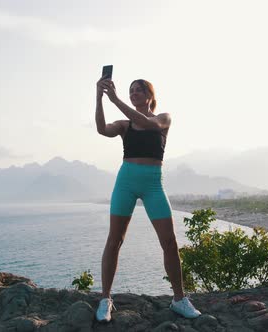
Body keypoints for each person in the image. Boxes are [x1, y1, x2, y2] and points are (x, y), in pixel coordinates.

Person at [94, 76, 202, 322]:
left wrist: (115, 98)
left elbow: (144, 121)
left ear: (150, 95)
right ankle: (105, 299)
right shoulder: (124, 125)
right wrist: (99, 98)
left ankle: (179, 299)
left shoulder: (163, 118)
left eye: (139, 90)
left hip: (154, 183)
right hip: (126, 182)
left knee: (169, 241)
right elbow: (102, 129)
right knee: (115, 240)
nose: (134, 93)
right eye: (131, 90)